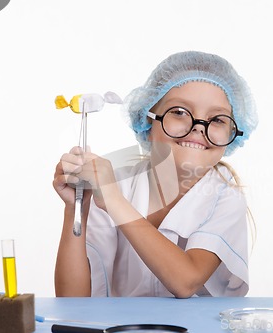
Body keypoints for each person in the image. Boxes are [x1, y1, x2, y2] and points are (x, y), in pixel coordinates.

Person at [53, 50, 258, 298]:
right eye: (180, 112)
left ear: (232, 135)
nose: (197, 129)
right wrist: (76, 208)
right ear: (147, 121)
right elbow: (73, 300)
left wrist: (114, 201)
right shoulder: (116, 185)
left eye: (217, 120)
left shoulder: (225, 198)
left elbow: (187, 281)